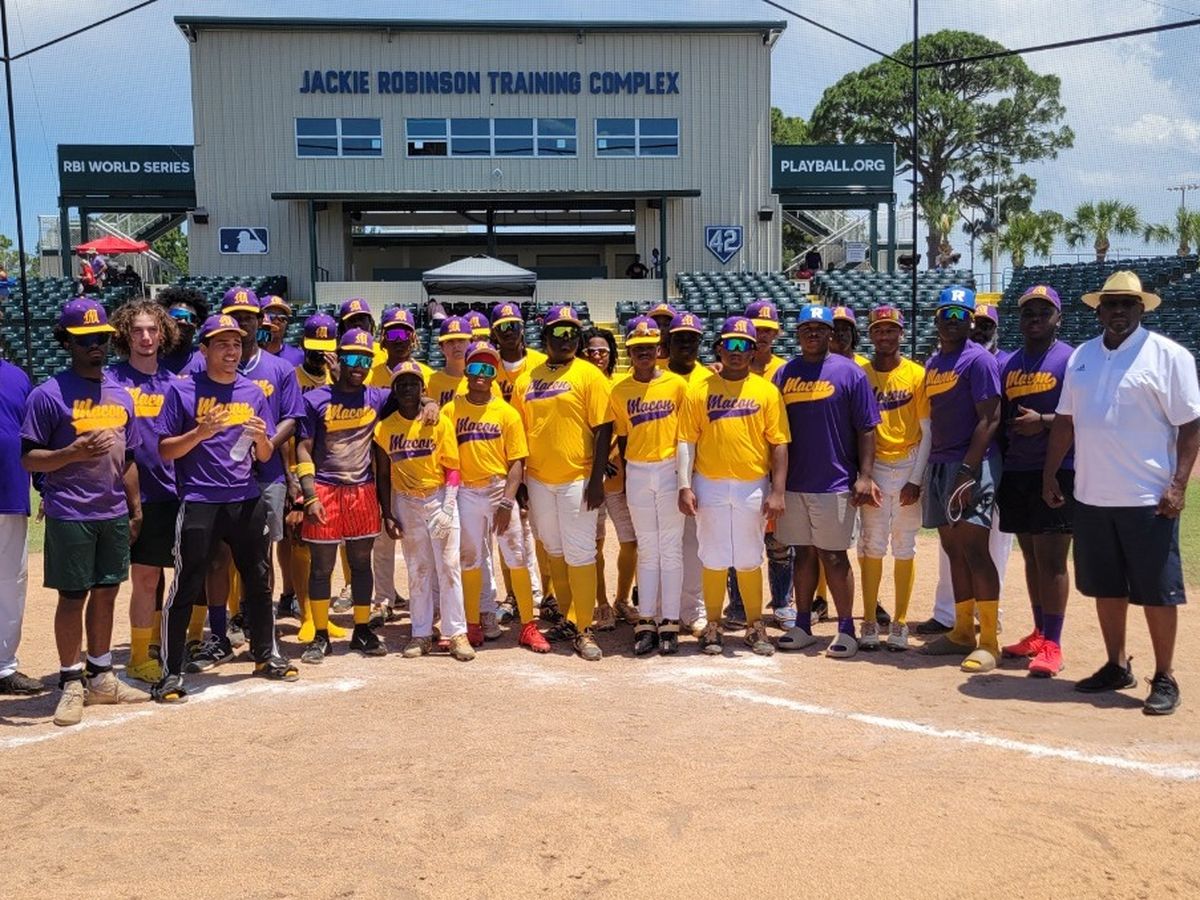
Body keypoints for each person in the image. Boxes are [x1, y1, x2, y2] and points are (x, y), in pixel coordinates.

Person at [1044, 271, 1200, 715]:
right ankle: (1116, 664)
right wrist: (1050, 473)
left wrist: (1178, 485)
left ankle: (1165, 675)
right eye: (1110, 304)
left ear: (1141, 308)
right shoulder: (1082, 357)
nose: (1118, 311)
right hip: (1093, 496)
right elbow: (1066, 420)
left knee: (1157, 592)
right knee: (1106, 587)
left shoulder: (1169, 356)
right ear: (1098, 311)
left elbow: (1190, 425)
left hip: (1148, 499)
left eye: (1127, 304)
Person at [154, 314, 297, 702]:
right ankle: (171, 671)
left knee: (259, 579)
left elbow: (264, 454)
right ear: (204, 350)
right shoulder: (182, 390)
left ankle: (265, 655)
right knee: (187, 582)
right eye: (222, 344)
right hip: (200, 500)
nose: (231, 350)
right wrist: (200, 433)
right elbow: (165, 450)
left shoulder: (252, 392)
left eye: (236, 343)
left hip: (245, 498)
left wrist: (262, 439)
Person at [20, 298, 148, 725]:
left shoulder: (120, 393)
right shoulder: (48, 395)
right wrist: (70, 453)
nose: (95, 345)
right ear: (67, 342)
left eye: (101, 338)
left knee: (107, 592)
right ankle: (71, 680)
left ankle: (102, 675)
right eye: (85, 339)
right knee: (73, 597)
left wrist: (135, 507)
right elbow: (29, 459)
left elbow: (129, 457)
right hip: (70, 511)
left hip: (112, 510)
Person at [678, 316, 789, 657]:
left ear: (754, 351)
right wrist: (684, 485)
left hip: (752, 484)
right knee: (712, 555)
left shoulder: (766, 391)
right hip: (708, 482)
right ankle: (713, 623)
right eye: (730, 344)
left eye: (743, 345)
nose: (736, 351)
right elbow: (686, 441)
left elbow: (779, 443)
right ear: (719, 348)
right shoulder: (700, 390)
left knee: (749, 555)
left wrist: (778, 491)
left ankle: (755, 624)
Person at [774, 305, 880, 657]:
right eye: (807, 328)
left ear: (830, 333)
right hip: (794, 482)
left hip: (835, 482)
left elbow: (867, 427)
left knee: (834, 557)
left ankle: (846, 629)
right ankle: (803, 624)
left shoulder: (850, 372)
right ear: (798, 333)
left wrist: (865, 475)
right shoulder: (785, 373)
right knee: (802, 554)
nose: (813, 334)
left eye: (820, 328)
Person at [205, 287, 302, 665]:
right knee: (219, 557)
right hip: (219, 476)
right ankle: (221, 630)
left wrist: (262, 443)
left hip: (266, 473)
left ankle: (264, 629)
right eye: (235, 315)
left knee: (261, 558)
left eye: (249, 316)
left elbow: (292, 417)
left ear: (260, 321)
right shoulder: (205, 367)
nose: (243, 322)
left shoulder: (279, 368)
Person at [512, 304, 615, 661]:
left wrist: (597, 479)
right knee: (554, 549)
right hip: (539, 479)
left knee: (581, 551)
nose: (567, 338)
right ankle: (569, 619)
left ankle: (584, 628)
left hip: (578, 478)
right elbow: (519, 434)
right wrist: (520, 481)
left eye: (573, 332)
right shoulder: (526, 380)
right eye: (559, 331)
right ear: (545, 337)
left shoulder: (589, 375)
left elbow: (604, 428)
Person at [918, 286, 1003, 673]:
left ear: (971, 321)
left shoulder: (979, 360)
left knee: (975, 550)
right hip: (940, 462)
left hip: (971, 464)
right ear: (936, 320)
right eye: (946, 314)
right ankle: (962, 631)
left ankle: (989, 642)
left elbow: (990, 418)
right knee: (953, 549)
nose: (952, 321)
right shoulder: (935, 362)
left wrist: (968, 470)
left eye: (960, 315)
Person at [295, 327, 390, 662]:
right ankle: (320, 635)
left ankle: (361, 630)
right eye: (352, 359)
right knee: (321, 567)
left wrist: (428, 403)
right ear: (338, 358)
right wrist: (309, 494)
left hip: (362, 490)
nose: (358, 366)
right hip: (325, 489)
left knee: (361, 564)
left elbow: (410, 394)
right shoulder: (315, 399)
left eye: (365, 360)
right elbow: (303, 448)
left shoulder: (377, 397)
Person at [995, 285, 1075, 678]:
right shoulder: (1010, 364)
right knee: (1030, 556)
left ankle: (1054, 644)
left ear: (1058, 318)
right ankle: (1040, 631)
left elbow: (1082, 417)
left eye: (1044, 312)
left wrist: (1042, 422)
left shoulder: (1070, 360)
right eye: (1029, 312)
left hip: (1057, 469)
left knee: (1052, 559)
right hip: (1018, 470)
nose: (1035, 318)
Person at [374, 361, 475, 662]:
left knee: (449, 567)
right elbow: (383, 474)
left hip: (439, 497)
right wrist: (388, 513)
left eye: (413, 383)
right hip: (406, 502)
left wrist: (448, 506)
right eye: (402, 384)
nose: (408, 389)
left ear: (423, 389)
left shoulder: (438, 422)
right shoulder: (384, 428)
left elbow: (452, 467)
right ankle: (421, 632)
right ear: (394, 390)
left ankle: (456, 633)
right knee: (418, 569)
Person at [451, 341, 548, 653]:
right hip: (466, 491)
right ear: (466, 371)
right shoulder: (451, 410)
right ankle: (472, 623)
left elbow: (517, 461)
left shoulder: (507, 413)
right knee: (470, 558)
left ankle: (528, 626)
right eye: (475, 366)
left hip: (498, 490)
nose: (481, 373)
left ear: (495, 374)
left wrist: (507, 501)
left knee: (516, 557)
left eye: (488, 368)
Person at [107, 299, 182, 684]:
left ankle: (167, 643)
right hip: (134, 496)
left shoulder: (176, 382)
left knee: (181, 574)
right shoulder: (111, 381)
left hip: (176, 491)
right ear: (125, 334)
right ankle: (139, 655)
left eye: (152, 329)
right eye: (137, 330)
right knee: (146, 577)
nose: (146, 337)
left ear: (163, 334)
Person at [610, 317, 689, 655]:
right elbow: (623, 439)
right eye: (636, 348)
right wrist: (629, 475)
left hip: (670, 469)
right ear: (629, 352)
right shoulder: (620, 390)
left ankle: (669, 621)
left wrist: (685, 480)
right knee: (647, 547)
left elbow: (686, 436)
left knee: (670, 548)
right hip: (639, 471)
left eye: (649, 347)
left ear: (659, 350)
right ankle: (646, 620)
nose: (643, 353)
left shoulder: (676, 385)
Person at [855, 305, 930, 651]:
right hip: (875, 465)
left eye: (890, 330)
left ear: (901, 333)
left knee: (904, 544)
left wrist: (916, 478)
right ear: (870, 335)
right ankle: (870, 619)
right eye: (878, 330)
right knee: (871, 542)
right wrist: (864, 474)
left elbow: (927, 431)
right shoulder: (861, 375)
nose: (884, 336)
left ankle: (899, 621)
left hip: (908, 460)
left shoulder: (916, 374)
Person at [365, 306, 428, 623]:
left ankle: (426, 600)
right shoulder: (371, 373)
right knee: (383, 537)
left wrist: (430, 402)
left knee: (423, 541)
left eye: (405, 332)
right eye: (392, 332)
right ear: (382, 338)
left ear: (414, 337)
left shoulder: (426, 372)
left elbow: (431, 406)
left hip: (417, 469)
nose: (399, 338)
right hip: (379, 466)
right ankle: (384, 599)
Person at [581, 326, 638, 630]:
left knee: (631, 540)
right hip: (586, 476)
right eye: (590, 351)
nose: (597, 356)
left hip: (617, 475)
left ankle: (622, 599)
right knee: (595, 543)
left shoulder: (619, 385)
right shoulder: (577, 383)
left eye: (602, 351)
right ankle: (601, 602)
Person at [665, 310, 710, 637]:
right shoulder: (655, 376)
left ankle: (693, 610)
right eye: (679, 338)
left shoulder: (710, 378)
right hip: (658, 469)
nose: (685, 344)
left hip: (699, 470)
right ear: (668, 341)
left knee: (694, 544)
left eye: (691, 339)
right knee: (661, 544)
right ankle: (662, 608)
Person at [0, 355, 43, 696]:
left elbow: (34, 438)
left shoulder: (17, 378)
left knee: (11, 582)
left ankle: (3, 666)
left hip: (11, 494)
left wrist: (45, 486)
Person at [156, 286, 208, 375]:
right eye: (177, 314)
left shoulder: (206, 360)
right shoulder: (149, 357)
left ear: (197, 325)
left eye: (191, 317)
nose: (183, 321)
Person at [259, 295, 305, 367]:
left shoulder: (298, 356)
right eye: (271, 316)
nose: (277, 322)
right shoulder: (245, 356)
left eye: (282, 318)